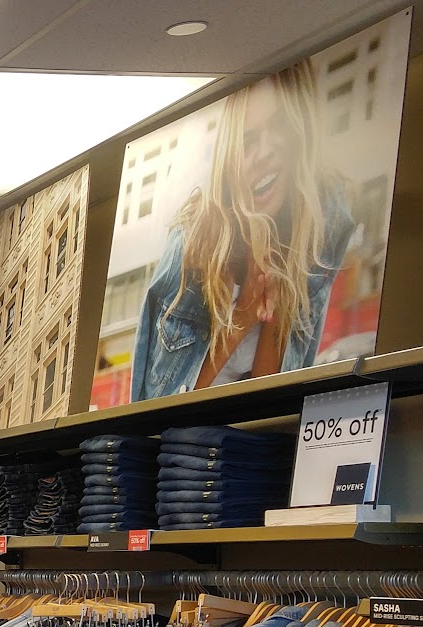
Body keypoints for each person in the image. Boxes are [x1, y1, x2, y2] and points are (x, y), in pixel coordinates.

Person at [130, 60, 356, 401]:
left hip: (245, 433)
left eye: (279, 126)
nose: (264, 153)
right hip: (185, 433)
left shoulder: (322, 224)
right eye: (248, 141)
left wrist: (275, 306)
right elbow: (159, 407)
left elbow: (267, 402)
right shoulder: (192, 242)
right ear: (230, 156)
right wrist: (244, 315)